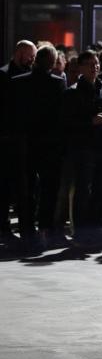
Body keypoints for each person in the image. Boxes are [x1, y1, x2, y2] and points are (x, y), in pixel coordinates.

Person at [10, 45, 66, 250]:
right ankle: (46, 228)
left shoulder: (17, 83)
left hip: (25, 142)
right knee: (49, 188)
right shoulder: (58, 84)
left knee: (27, 189)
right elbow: (61, 116)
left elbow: (12, 115)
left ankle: (26, 229)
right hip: (50, 144)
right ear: (51, 63)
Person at [61, 50, 102, 246]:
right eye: (90, 64)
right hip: (84, 147)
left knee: (99, 189)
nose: (95, 67)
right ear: (81, 67)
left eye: (97, 63)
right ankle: (81, 230)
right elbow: (68, 122)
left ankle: (95, 227)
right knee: (83, 190)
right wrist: (90, 121)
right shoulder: (73, 92)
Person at [0, 40, 37, 245]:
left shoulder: (29, 75)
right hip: (7, 139)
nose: (32, 60)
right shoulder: (4, 75)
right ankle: (4, 227)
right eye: (30, 55)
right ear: (19, 52)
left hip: (23, 140)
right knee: (5, 187)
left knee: (23, 187)